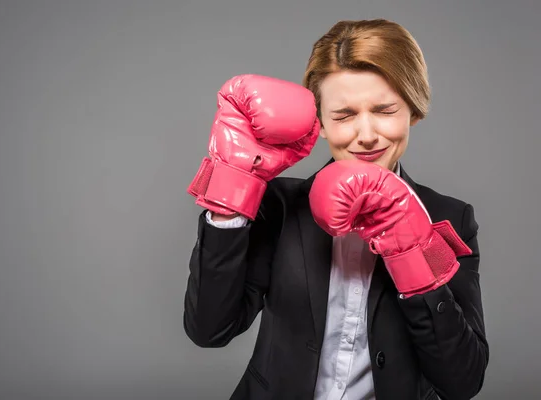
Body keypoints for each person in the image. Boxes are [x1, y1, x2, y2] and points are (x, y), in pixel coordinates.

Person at [183, 19, 489, 400]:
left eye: (384, 110)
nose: (366, 135)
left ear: (413, 110)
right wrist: (231, 193)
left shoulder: (450, 217)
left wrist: (413, 253)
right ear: (321, 124)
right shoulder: (280, 206)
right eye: (344, 115)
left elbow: (462, 381)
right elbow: (209, 330)